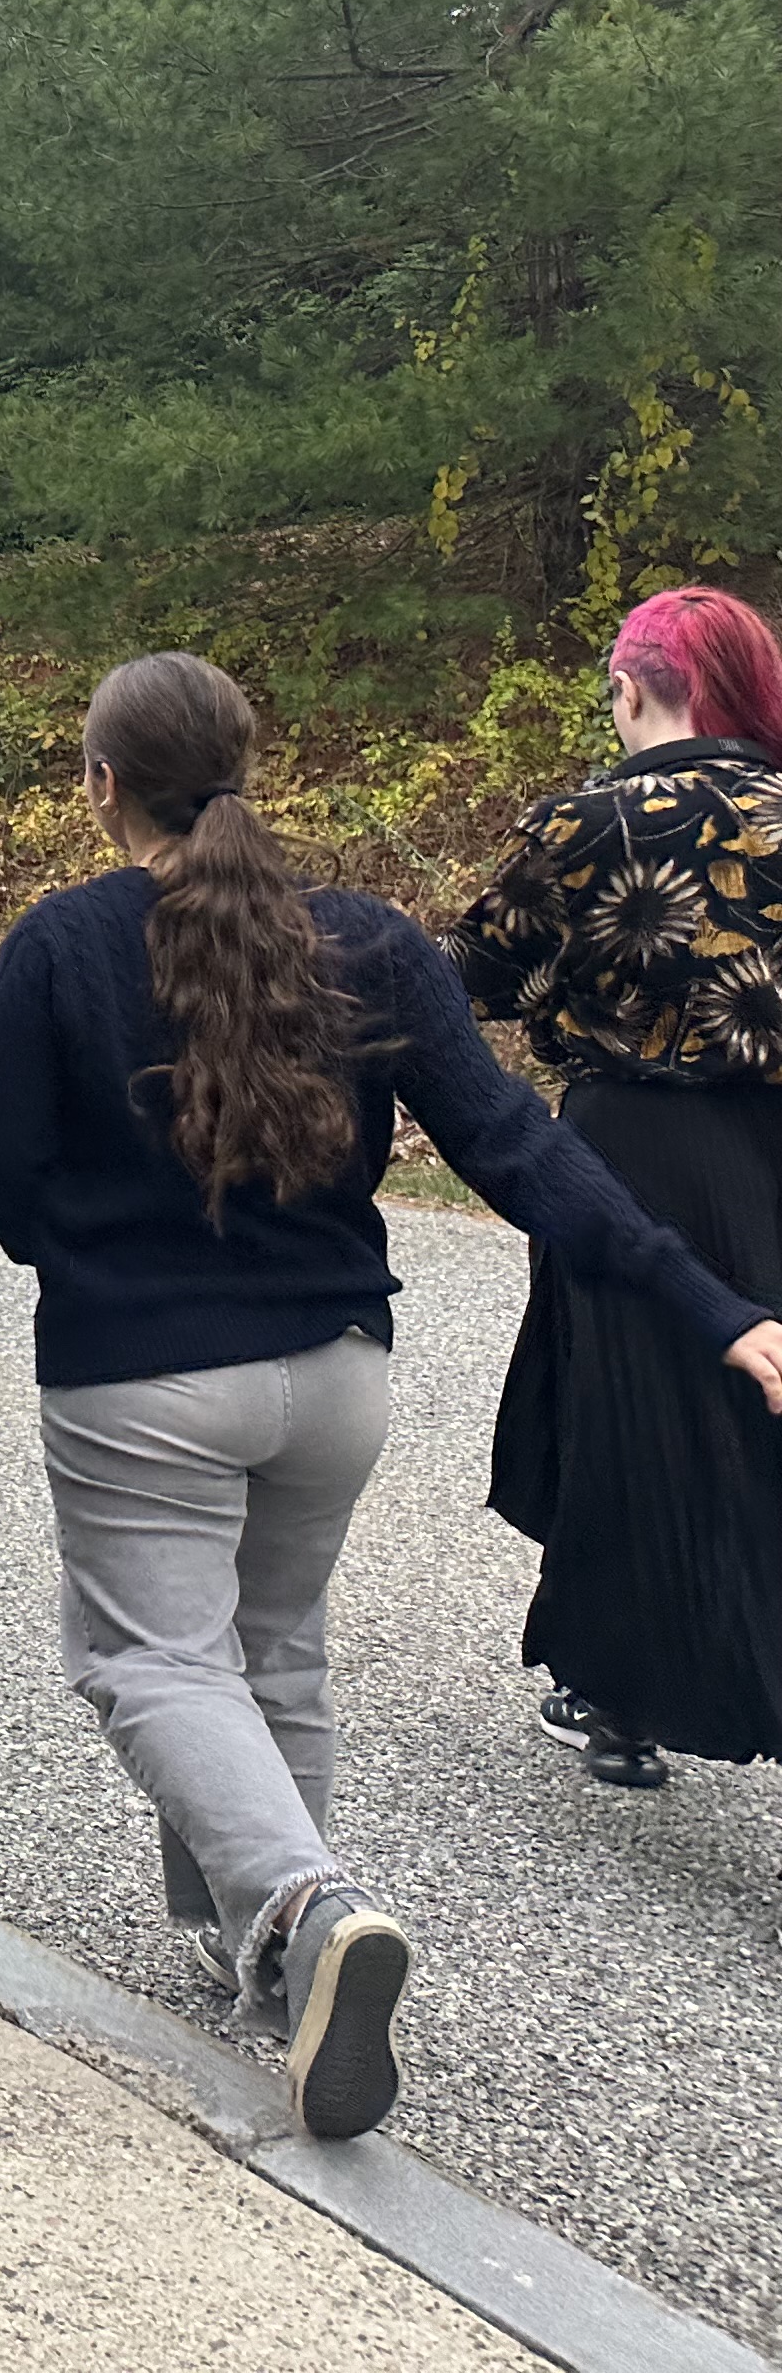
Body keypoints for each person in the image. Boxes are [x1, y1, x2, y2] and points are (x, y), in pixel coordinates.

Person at [0, 650, 782, 2137]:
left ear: (99, 787)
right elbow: (524, 1153)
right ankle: (279, 1976)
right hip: (336, 1380)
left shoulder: (63, 945)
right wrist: (713, 1306)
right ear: (247, 772)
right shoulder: (368, 946)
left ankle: (306, 1911)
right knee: (272, 1655)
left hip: (141, 1376)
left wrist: (88, 1266)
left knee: (150, 1663)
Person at [449, 588, 782, 1792]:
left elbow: (470, 972)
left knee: (623, 1402)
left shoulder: (595, 819)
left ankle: (621, 1697)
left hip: (634, 1141)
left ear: (633, 689)